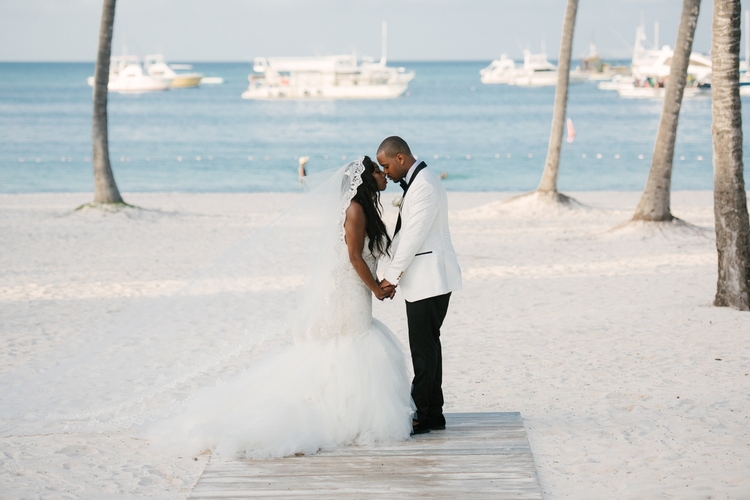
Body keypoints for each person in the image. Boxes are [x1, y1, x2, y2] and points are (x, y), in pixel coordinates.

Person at [146, 156, 414, 458]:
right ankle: (338, 417)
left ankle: (349, 413)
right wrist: (376, 289)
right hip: (348, 293)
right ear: (364, 180)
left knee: (351, 347)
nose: (383, 175)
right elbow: (354, 258)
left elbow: (365, 258)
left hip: (357, 291)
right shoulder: (354, 209)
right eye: (378, 171)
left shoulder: (365, 209)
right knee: (348, 346)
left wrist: (378, 283)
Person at [376, 136, 462, 435]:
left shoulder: (424, 185)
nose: (384, 172)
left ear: (400, 158)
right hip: (429, 277)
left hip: (430, 278)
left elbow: (413, 236)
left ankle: (424, 415)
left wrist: (391, 276)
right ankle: (434, 412)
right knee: (429, 347)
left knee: (423, 351)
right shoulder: (420, 181)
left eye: (386, 165)